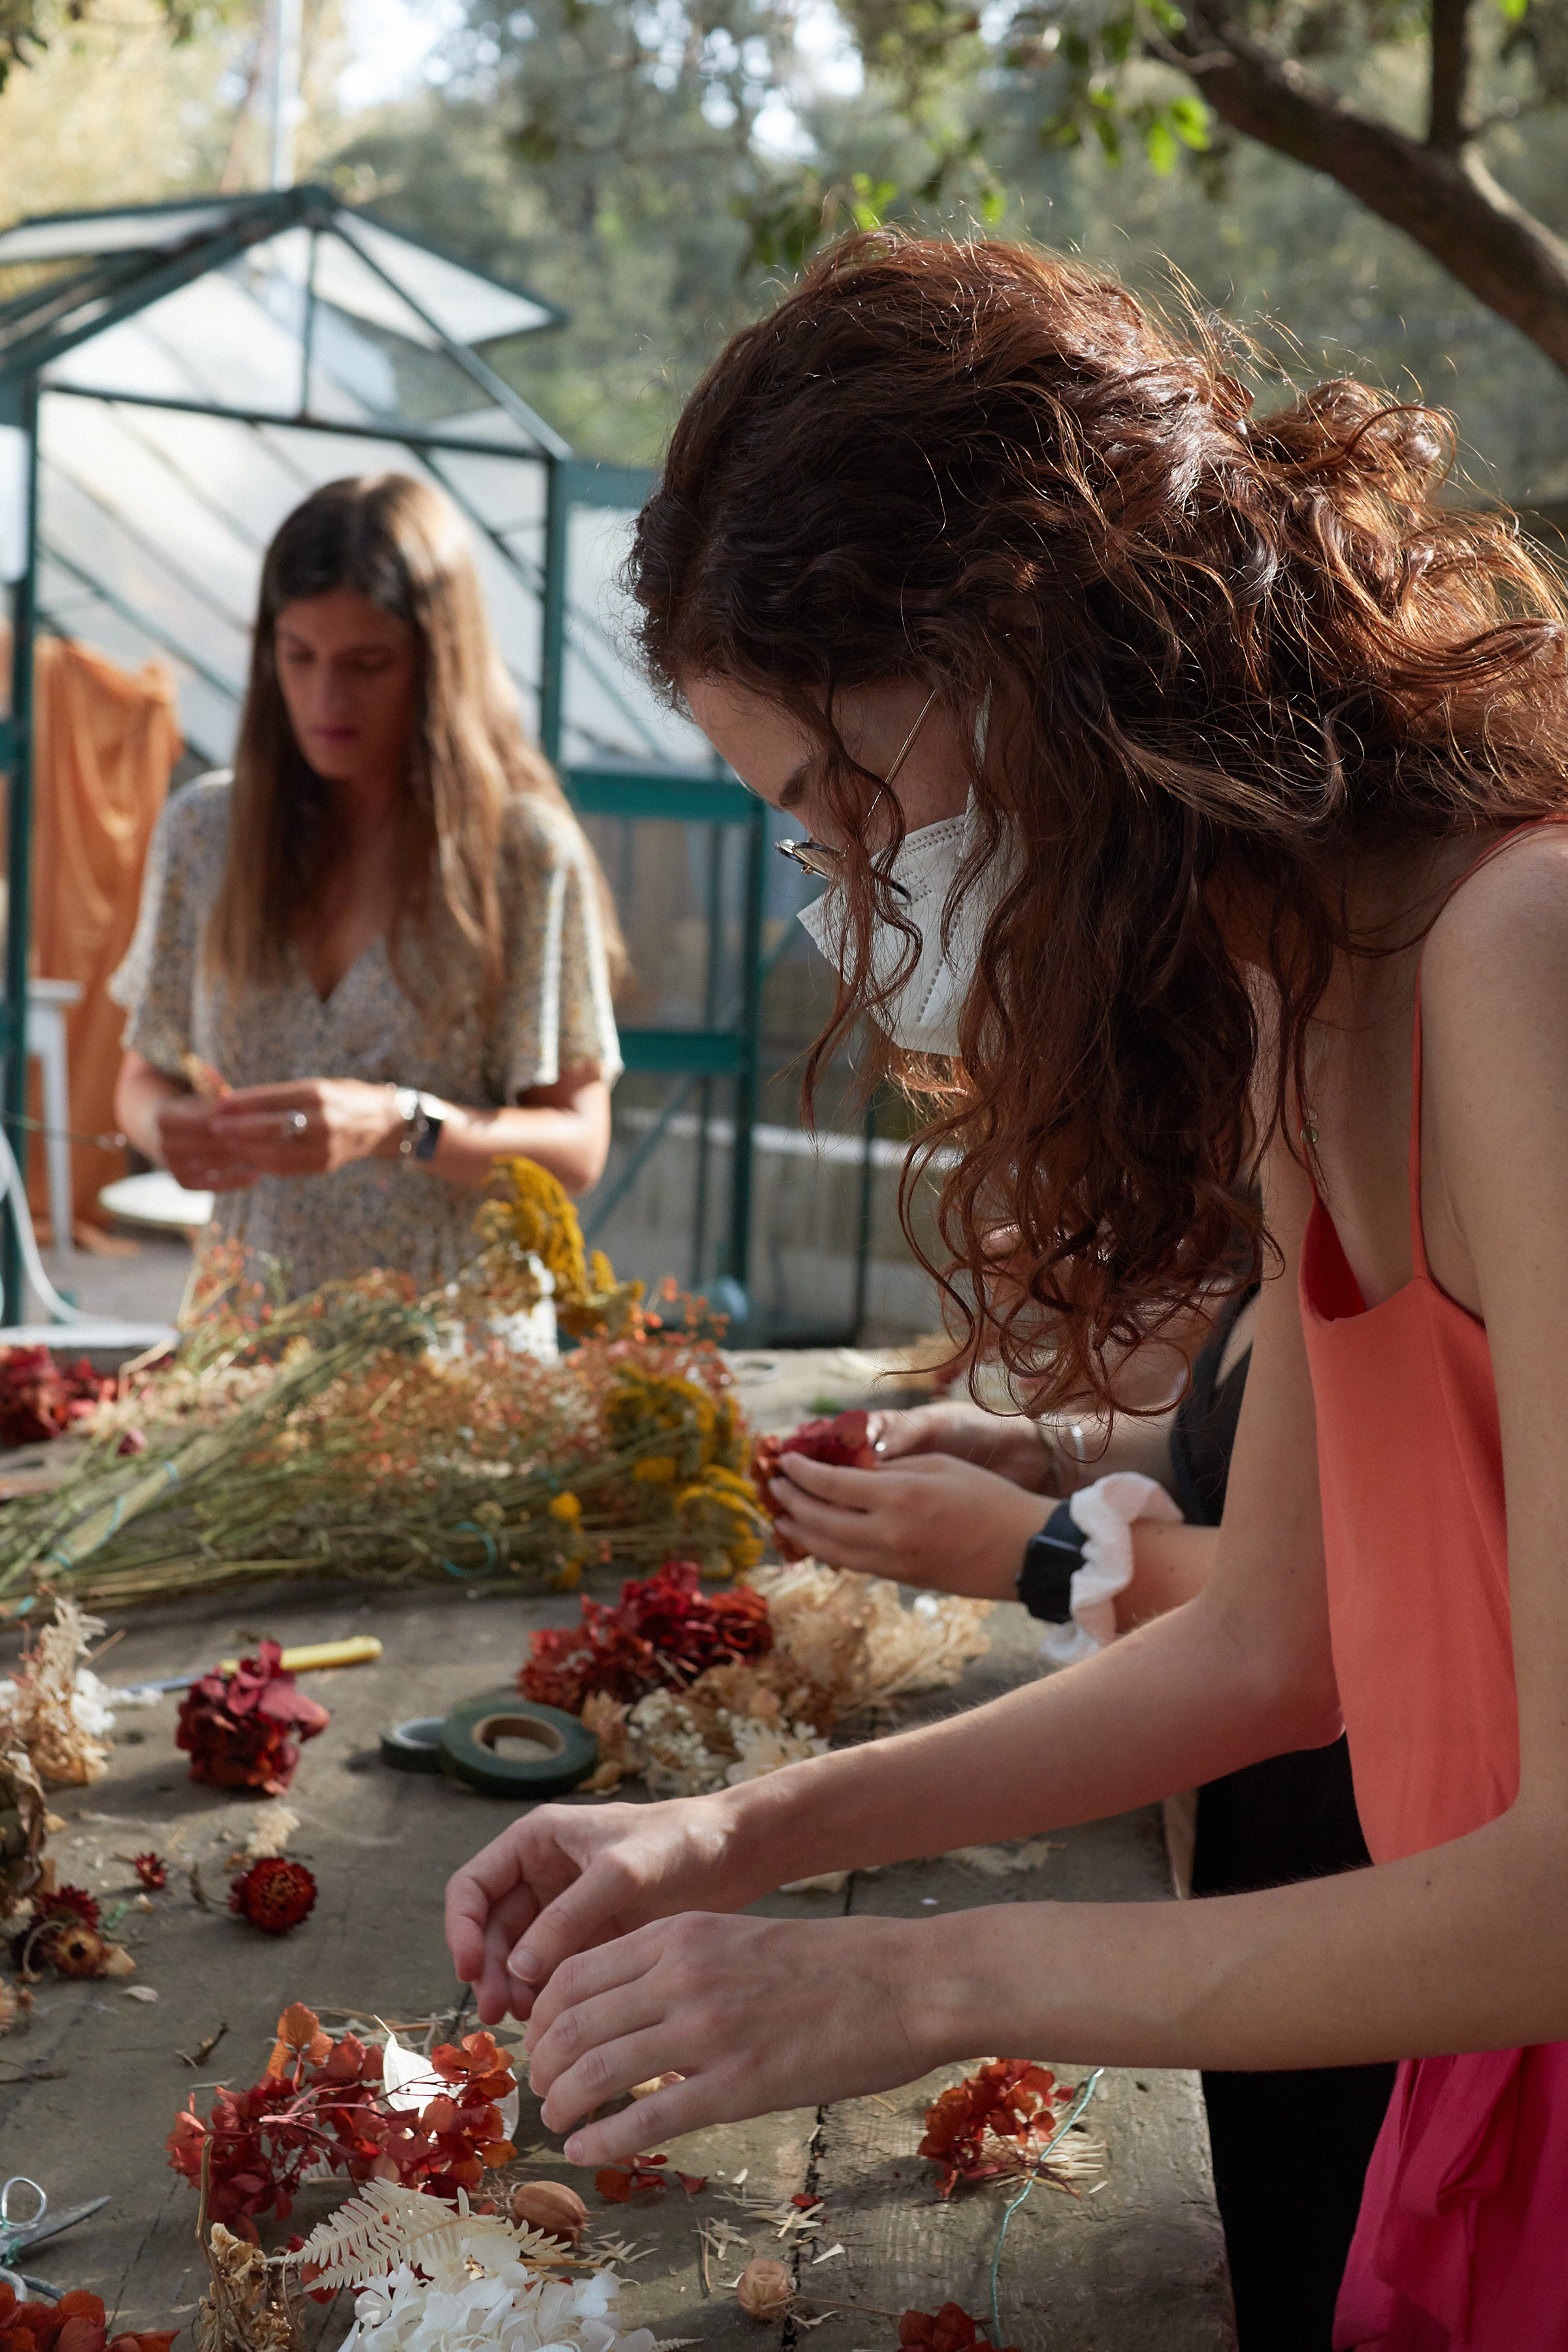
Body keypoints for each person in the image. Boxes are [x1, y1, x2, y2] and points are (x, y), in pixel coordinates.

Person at [445, 235, 1568, 2349]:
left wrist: (912, 1979)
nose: (834, 899)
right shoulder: (1313, 1002)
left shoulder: (1515, 960)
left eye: (822, 807)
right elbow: (1275, 1645)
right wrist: (733, 1833)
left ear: (1012, 651)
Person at [787, 1296, 1394, 2352]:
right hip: (1278, 1913)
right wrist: (1040, 1456)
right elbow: (1268, 1463)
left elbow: (1360, 1606)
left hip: (1386, 1952)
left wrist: (1048, 1550)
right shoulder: (1320, 1155)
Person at [110, 473, 621, 1298]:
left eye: (368, 663)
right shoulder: (206, 834)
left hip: (456, 1362)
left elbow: (577, 1150)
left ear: (437, 665)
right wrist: (165, 1126)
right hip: (247, 1347)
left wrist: (401, 1124)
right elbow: (143, 1075)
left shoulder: (522, 856)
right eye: (298, 655)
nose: (325, 698)